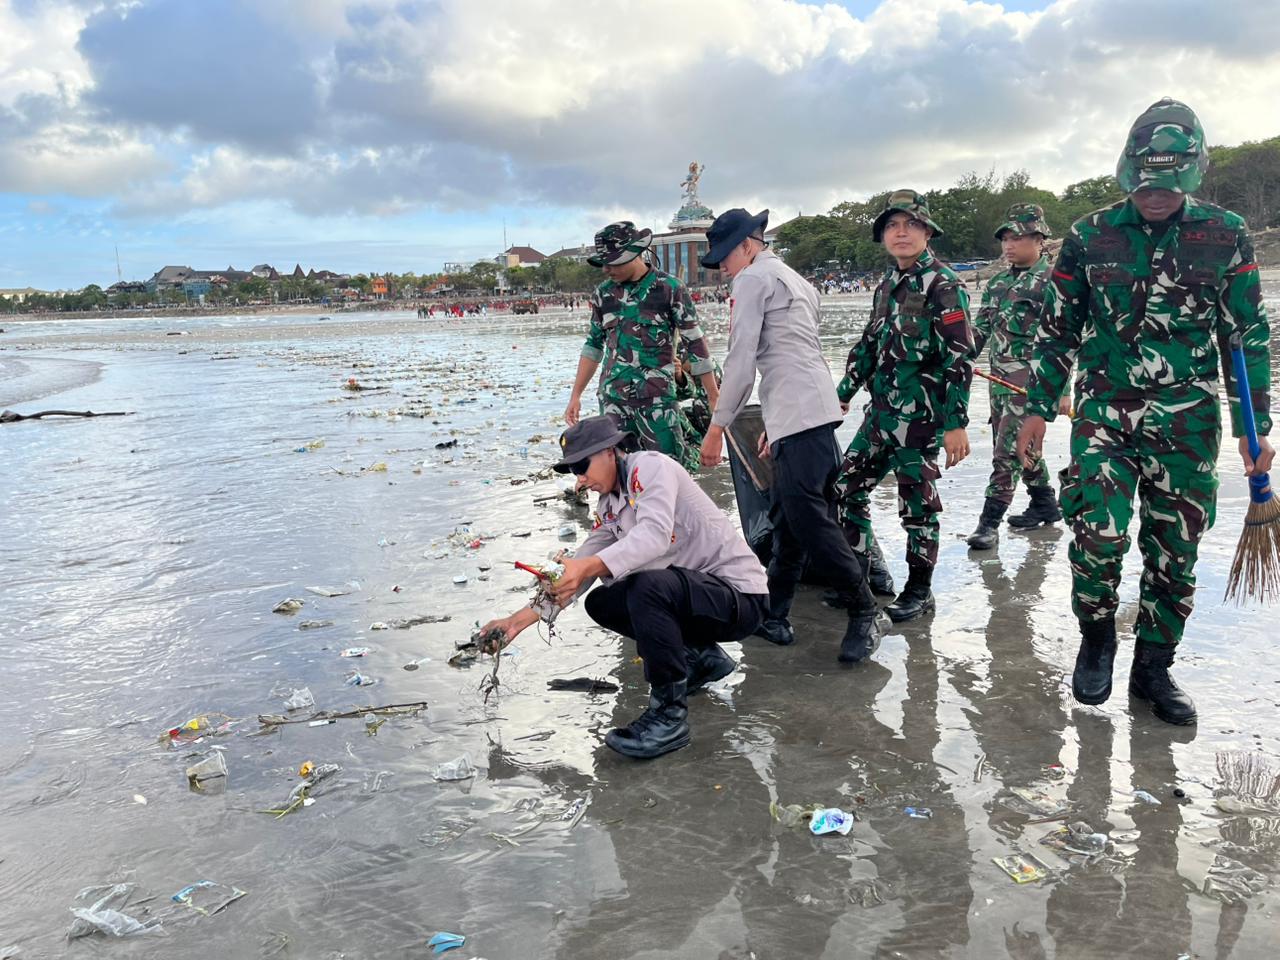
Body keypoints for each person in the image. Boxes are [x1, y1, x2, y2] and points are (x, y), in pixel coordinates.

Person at [1017, 98, 1273, 725]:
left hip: (1188, 419)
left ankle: (1154, 668)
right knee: (1097, 535)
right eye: (1147, 182)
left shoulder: (1226, 233)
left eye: (1171, 183)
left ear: (1194, 172)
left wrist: (1253, 429)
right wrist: (1038, 408)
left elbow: (1246, 336)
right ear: (1130, 170)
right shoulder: (1087, 235)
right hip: (1104, 412)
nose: (1157, 195)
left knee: (1175, 547)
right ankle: (1097, 635)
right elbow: (1057, 330)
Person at [479, 415, 768, 759]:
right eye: (573, 472)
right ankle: (701, 658)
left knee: (646, 587)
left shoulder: (649, 468)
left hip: (740, 597)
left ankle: (669, 718)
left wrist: (587, 565)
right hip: (698, 597)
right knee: (603, 600)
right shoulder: (610, 506)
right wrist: (514, 622)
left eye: (582, 466)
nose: (580, 480)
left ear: (609, 451)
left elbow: (654, 536)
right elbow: (580, 572)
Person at [698, 208, 881, 663]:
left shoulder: (752, 281)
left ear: (748, 245)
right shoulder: (797, 280)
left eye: (724, 255)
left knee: (809, 519)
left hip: (798, 411)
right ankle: (775, 614)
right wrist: (775, 429)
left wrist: (717, 427)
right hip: (807, 411)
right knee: (788, 518)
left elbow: (741, 364)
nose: (721, 266)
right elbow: (793, 353)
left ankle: (865, 609)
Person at [834, 190, 974, 623]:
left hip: (921, 420)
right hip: (880, 415)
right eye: (892, 226)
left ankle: (919, 589)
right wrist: (841, 394)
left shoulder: (945, 285)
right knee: (844, 490)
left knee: (917, 506)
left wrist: (956, 422)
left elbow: (960, 357)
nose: (901, 233)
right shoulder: (887, 285)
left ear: (927, 232)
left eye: (910, 225)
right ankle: (863, 578)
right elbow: (868, 347)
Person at [564, 222, 719, 469]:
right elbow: (593, 346)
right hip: (614, 400)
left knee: (668, 471)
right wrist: (576, 395)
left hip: (657, 401)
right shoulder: (603, 294)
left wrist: (713, 396)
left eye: (612, 262)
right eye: (603, 263)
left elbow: (695, 343)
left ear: (635, 253)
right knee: (621, 472)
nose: (605, 269)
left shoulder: (670, 289)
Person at [967, 203, 1066, 550]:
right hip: (999, 382)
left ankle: (988, 523)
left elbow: (1065, 338)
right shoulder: (997, 284)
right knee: (1016, 444)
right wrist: (956, 354)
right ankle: (1045, 504)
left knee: (1006, 451)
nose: (1009, 245)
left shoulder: (1054, 281)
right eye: (1005, 238)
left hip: (1032, 383)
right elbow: (979, 329)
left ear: (1040, 239)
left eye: (1018, 237)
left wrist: (1062, 389)